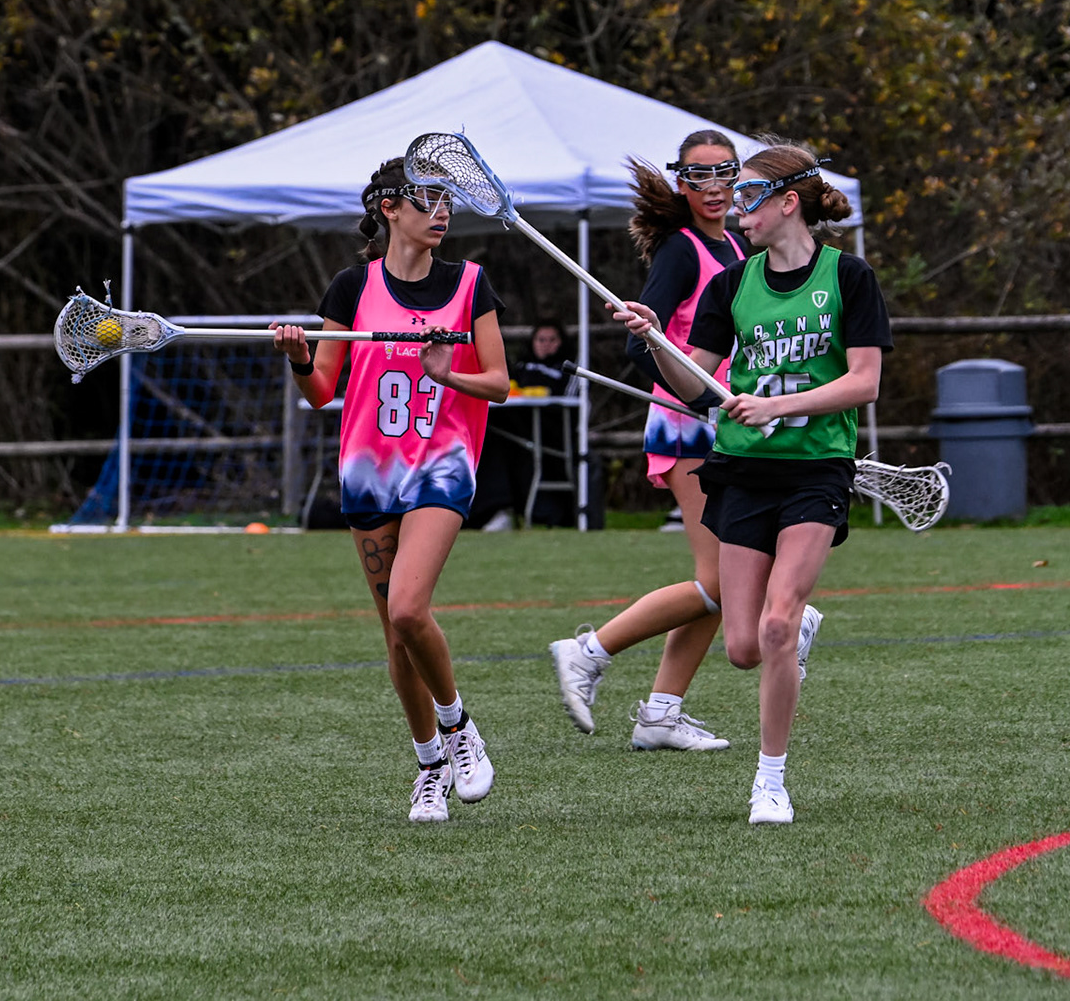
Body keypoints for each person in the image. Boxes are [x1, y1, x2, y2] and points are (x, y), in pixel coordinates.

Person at [612, 138, 890, 824]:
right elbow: (692, 385)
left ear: (788, 202)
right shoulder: (731, 284)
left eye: (748, 197)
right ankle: (788, 633)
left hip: (815, 468)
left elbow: (864, 382)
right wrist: (656, 339)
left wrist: (778, 405)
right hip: (742, 470)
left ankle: (770, 781)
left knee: (774, 625)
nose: (737, 210)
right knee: (742, 647)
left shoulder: (849, 277)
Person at [549, 131, 823, 751]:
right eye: (700, 176)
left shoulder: (738, 243)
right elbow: (639, 345)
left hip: (733, 424)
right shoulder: (681, 249)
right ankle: (590, 651)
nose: (716, 186)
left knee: (720, 586)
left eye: (726, 172)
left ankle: (661, 712)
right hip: (688, 426)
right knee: (722, 582)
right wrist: (704, 398)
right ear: (682, 183)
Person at [271, 157, 511, 823]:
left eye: (447, 199)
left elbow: (498, 383)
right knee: (396, 639)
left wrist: (447, 372)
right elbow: (322, 391)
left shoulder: (470, 283)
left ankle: (459, 727)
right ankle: (430, 765)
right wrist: (298, 357)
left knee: (408, 609)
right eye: (427, 198)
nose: (442, 211)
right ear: (390, 208)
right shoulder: (351, 288)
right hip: (369, 471)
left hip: (442, 465)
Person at [472, 319, 574, 531]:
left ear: (561, 342)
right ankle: (492, 512)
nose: (546, 345)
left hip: (549, 431)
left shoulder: (567, 370)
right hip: (514, 428)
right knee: (487, 439)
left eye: (552, 340)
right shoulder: (520, 367)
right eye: (541, 340)